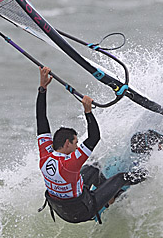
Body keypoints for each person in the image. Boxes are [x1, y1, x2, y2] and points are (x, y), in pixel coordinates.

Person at [37, 67, 133, 223]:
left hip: (61, 209)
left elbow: (41, 119)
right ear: (67, 143)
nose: (77, 146)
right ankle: (149, 174)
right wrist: (88, 111)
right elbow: (94, 137)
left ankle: (111, 197)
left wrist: (43, 88)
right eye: (75, 142)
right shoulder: (70, 164)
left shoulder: (45, 155)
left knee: (94, 168)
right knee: (121, 177)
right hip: (82, 211)